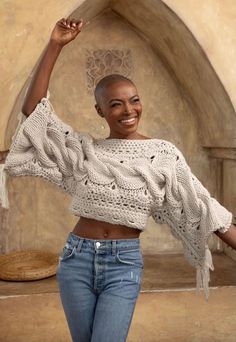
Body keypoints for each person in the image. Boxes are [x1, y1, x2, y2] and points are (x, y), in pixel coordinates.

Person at [4, 18, 236, 342]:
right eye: (115, 104)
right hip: (76, 259)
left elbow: (203, 207)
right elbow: (34, 114)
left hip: (122, 264)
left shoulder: (162, 154)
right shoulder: (85, 151)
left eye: (134, 100)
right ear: (100, 110)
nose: (128, 109)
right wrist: (55, 43)